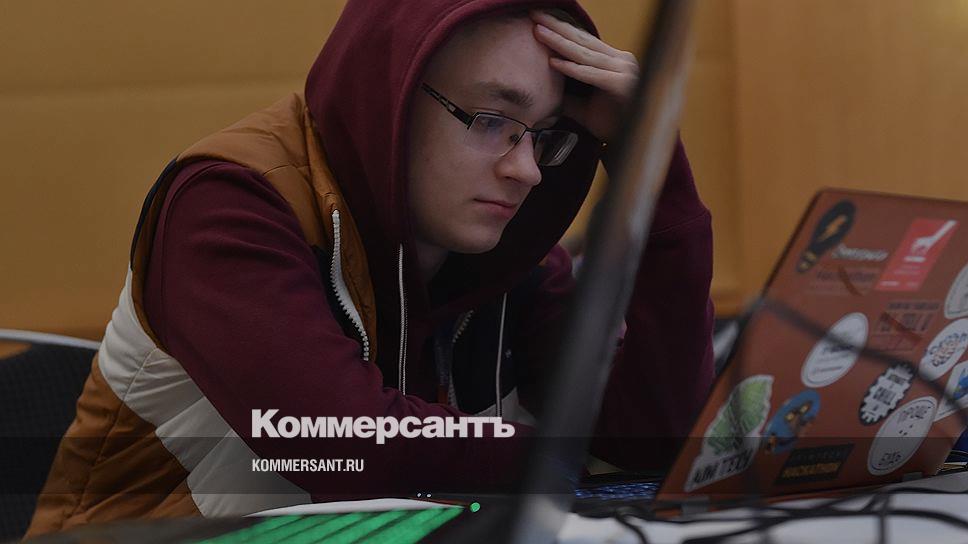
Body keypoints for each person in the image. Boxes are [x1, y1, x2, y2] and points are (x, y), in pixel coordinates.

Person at [27, 0, 714, 535]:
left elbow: (652, 438)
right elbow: (349, 449)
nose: (527, 170)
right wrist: (562, 450)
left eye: (543, 135)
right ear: (392, 93)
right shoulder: (228, 206)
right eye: (489, 120)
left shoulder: (508, 254)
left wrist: (655, 166)